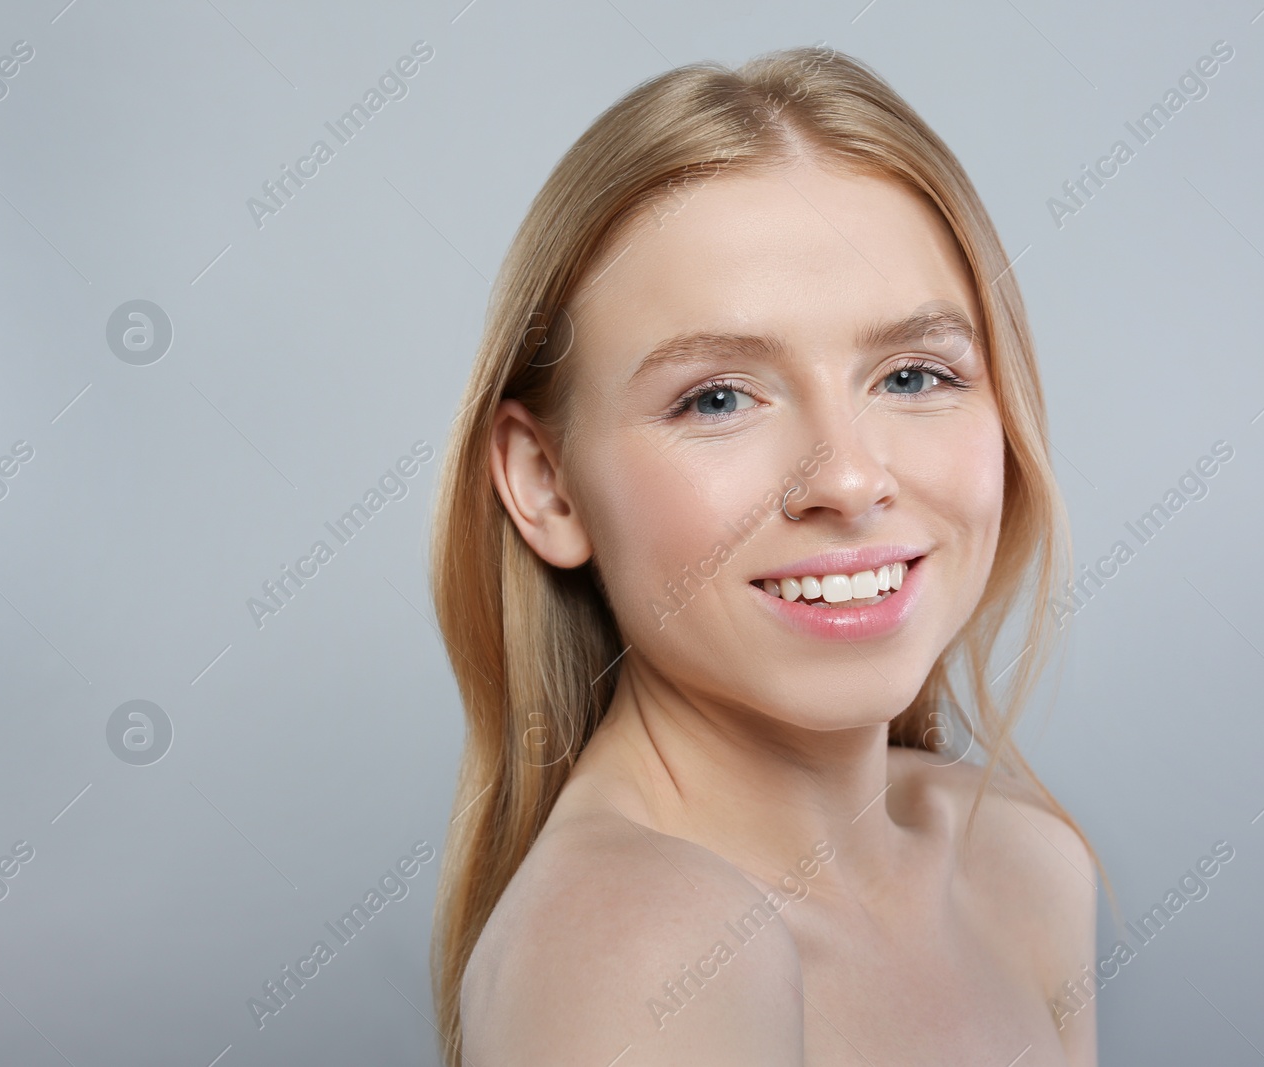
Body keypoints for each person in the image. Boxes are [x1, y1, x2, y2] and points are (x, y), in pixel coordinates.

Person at [427, 44, 1101, 1066]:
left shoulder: (1022, 864)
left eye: (914, 375)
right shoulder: (640, 948)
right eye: (718, 396)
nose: (846, 475)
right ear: (545, 483)